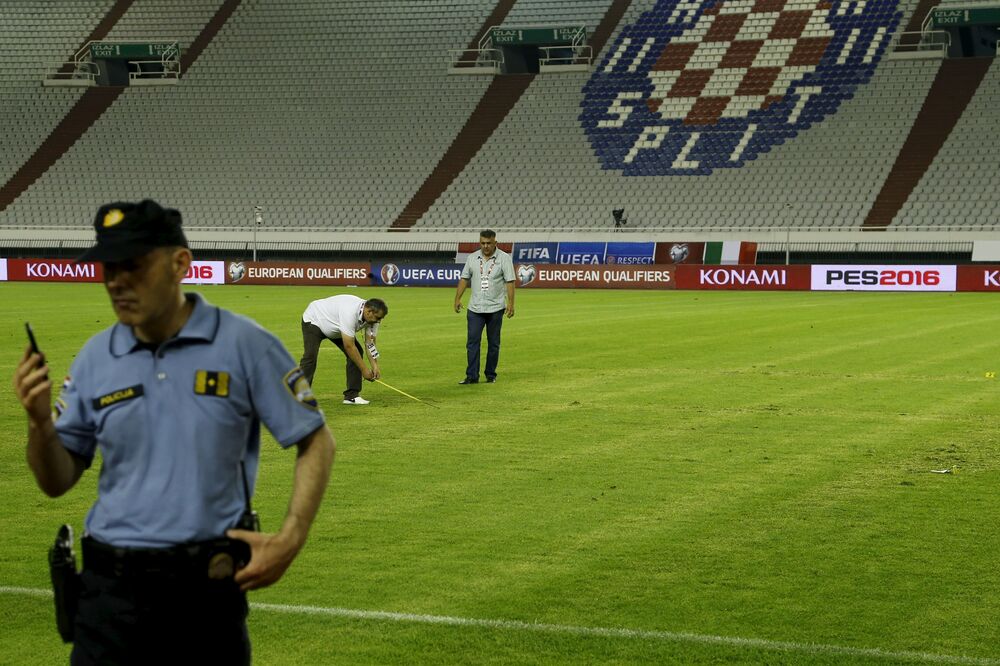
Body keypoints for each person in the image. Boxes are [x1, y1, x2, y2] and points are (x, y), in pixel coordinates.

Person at [12, 200, 335, 665]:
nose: (116, 281)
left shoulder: (245, 344)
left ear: (180, 263)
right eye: (108, 267)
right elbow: (56, 480)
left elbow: (316, 440)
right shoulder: (94, 357)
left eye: (134, 264)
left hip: (204, 599)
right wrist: (41, 424)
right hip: (108, 598)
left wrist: (291, 538)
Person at [300, 295, 388, 405]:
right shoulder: (350, 312)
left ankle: (351, 396)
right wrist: (364, 370)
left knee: (357, 353)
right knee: (310, 357)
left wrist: (375, 366)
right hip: (314, 319)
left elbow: (370, 343)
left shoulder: (374, 320)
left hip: (336, 327)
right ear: (369, 311)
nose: (378, 321)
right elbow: (349, 346)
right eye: (378, 318)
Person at [453, 229, 515, 384]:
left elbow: (510, 282)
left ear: (495, 243)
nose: (485, 246)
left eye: (488, 243)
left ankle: (490, 374)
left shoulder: (504, 259)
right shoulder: (472, 258)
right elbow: (464, 279)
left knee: (493, 343)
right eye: (483, 243)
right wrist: (457, 298)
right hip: (475, 308)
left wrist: (511, 304)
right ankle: (472, 376)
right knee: (472, 342)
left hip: (495, 308)